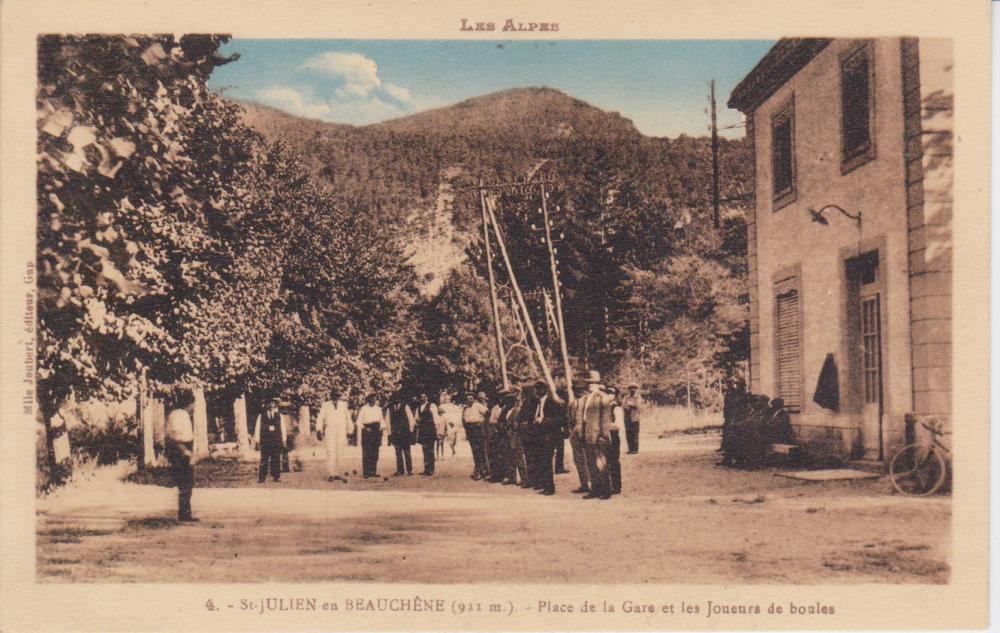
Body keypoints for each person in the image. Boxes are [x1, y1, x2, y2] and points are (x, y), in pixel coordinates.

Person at [520, 380, 564, 495]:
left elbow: (559, 420)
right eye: (536, 389)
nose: (536, 392)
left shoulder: (552, 403)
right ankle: (544, 485)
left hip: (548, 436)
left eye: (538, 390)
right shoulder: (536, 403)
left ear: (544, 391)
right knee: (541, 461)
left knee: (547, 461)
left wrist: (543, 420)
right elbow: (530, 417)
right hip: (537, 436)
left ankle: (550, 487)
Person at [577, 370, 614, 500]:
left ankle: (606, 490)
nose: (589, 385)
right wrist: (580, 433)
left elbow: (605, 418)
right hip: (587, 435)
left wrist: (603, 435)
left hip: (598, 435)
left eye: (592, 383)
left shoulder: (602, 397)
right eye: (587, 383)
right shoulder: (585, 399)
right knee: (591, 464)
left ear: (597, 383)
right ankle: (595, 489)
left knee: (601, 464)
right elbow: (582, 418)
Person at [164, 389, 197, 522]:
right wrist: (184, 451)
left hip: (184, 448)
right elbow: (174, 436)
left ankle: (185, 512)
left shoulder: (184, 415)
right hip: (179, 451)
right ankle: (184, 514)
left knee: (188, 483)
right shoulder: (177, 415)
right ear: (188, 403)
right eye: (193, 404)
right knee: (185, 482)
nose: (194, 407)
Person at [315, 388, 352, 482]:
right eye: (334, 395)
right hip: (330, 429)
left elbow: (348, 418)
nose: (335, 397)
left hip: (341, 429)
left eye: (337, 396)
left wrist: (350, 429)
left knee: (340, 452)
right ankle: (331, 473)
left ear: (339, 396)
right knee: (330, 451)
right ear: (331, 396)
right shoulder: (325, 405)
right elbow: (320, 418)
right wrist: (319, 429)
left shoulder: (343, 405)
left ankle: (339, 473)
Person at [254, 396, 287, 483]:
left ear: (275, 405)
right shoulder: (261, 416)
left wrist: (284, 440)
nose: (271, 405)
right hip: (265, 441)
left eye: (273, 403)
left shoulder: (279, 416)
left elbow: (283, 428)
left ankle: (276, 476)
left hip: (276, 440)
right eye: (269, 403)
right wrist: (257, 441)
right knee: (264, 459)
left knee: (276, 458)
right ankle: (262, 477)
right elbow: (257, 428)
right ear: (266, 405)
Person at [568, 382, 590, 494]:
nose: (578, 392)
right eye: (576, 390)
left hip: (587, 433)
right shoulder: (572, 404)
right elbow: (570, 420)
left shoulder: (588, 401)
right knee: (578, 459)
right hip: (575, 433)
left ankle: (593, 483)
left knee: (589, 457)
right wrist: (572, 432)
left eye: (580, 390)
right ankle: (584, 484)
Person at [356, 393, 385, 478]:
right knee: (366, 452)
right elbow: (358, 421)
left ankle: (373, 471)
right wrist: (364, 428)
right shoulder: (363, 409)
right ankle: (366, 472)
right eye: (372, 398)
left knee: (375, 452)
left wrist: (382, 427)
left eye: (375, 399)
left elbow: (381, 420)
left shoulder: (379, 409)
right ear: (368, 400)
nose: (373, 400)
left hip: (376, 431)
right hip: (367, 430)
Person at [386, 395, 416, 476]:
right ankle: (400, 470)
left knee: (407, 452)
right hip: (395, 434)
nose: (397, 400)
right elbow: (387, 421)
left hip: (405, 433)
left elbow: (411, 419)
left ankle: (409, 470)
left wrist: (411, 431)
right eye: (395, 398)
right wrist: (389, 433)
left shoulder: (405, 406)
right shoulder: (390, 408)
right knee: (398, 453)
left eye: (398, 398)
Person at [462, 392, 489, 479]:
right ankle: (478, 470)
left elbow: (487, 413)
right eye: (468, 399)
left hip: (478, 429)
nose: (469, 400)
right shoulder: (465, 408)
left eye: (471, 398)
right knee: (475, 451)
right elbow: (464, 420)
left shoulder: (478, 406)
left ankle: (484, 471)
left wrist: (483, 425)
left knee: (481, 450)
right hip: (470, 430)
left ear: (474, 399)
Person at [413, 393, 440, 476]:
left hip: (430, 429)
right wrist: (417, 421)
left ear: (427, 397)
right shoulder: (419, 407)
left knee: (430, 449)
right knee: (424, 449)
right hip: (423, 430)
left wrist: (436, 428)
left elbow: (436, 417)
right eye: (421, 397)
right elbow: (416, 418)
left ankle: (431, 469)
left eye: (424, 396)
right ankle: (426, 468)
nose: (423, 398)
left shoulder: (432, 406)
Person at [719, 379, 747, 453]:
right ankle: (724, 447)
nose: (737, 386)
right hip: (731, 414)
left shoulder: (741, 393)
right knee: (727, 430)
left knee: (731, 432)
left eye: (738, 384)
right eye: (737, 384)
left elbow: (738, 405)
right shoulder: (732, 392)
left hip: (738, 416)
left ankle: (729, 453)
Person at [607, 387, 624, 495]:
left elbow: (618, 425)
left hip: (613, 437)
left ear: (615, 395)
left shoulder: (616, 409)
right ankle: (608, 485)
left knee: (614, 462)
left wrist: (604, 426)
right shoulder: (604, 407)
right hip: (605, 437)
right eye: (607, 392)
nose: (608, 395)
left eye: (611, 393)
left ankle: (616, 487)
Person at [438, 392, 462, 459]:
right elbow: (441, 414)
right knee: (445, 440)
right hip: (444, 424)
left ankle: (453, 452)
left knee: (452, 439)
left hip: (452, 424)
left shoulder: (452, 406)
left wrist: (453, 422)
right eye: (446, 399)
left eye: (448, 399)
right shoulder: (441, 406)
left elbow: (455, 415)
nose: (447, 400)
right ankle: (442, 455)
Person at [622, 382, 644, 454]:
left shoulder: (638, 397)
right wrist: (629, 406)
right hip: (627, 417)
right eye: (631, 388)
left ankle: (635, 449)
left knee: (635, 434)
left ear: (636, 389)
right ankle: (630, 449)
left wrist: (629, 405)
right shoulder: (626, 397)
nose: (632, 390)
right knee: (628, 434)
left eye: (634, 388)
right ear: (629, 389)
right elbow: (623, 406)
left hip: (635, 417)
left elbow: (637, 405)